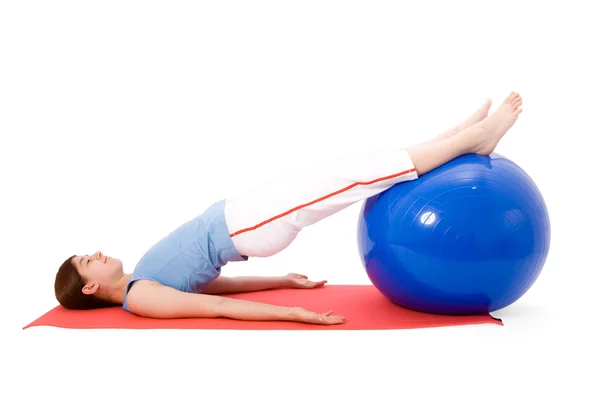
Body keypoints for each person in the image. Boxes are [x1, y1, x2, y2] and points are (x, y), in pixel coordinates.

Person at [54, 92, 523, 325]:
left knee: (355, 169)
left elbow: (214, 282)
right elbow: (213, 305)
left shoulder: (143, 276)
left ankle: (455, 139)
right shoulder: (141, 298)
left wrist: (282, 279)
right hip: (246, 227)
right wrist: (295, 313)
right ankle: (470, 140)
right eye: (87, 259)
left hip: (243, 218)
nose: (95, 252)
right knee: (356, 177)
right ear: (92, 284)